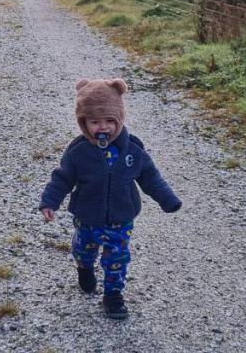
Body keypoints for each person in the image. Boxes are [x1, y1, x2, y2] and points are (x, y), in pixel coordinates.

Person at [38, 78, 182, 319]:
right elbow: (62, 178)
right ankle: (84, 267)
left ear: (119, 119)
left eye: (109, 121)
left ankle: (113, 295)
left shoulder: (133, 150)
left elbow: (150, 177)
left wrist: (167, 199)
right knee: (84, 250)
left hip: (121, 218)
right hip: (87, 217)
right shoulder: (78, 152)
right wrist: (49, 202)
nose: (102, 127)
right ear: (83, 122)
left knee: (117, 257)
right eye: (95, 122)